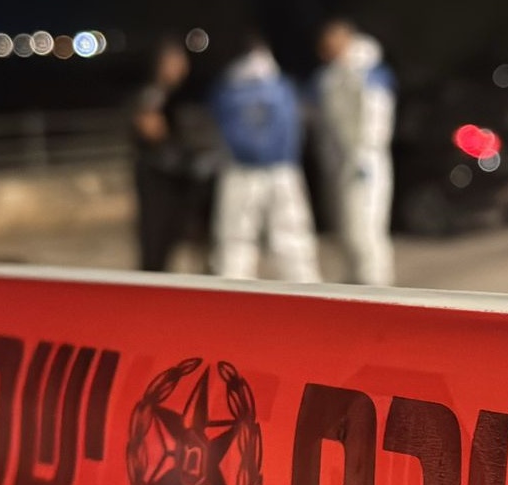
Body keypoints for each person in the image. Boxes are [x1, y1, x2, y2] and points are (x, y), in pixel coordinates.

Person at [210, 35, 321, 282]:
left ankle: (234, 297)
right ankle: (306, 296)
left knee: (236, 243)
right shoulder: (283, 87)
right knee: (293, 241)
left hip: (244, 172)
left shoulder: (226, 88)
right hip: (279, 172)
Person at [313, 19, 397, 285]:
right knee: (347, 228)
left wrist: (363, 155)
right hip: (341, 163)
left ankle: (376, 287)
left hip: (364, 160)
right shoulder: (333, 75)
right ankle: (357, 285)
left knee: (365, 229)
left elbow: (376, 118)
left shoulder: (368, 71)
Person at [131, 39, 204, 272]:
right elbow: (151, 130)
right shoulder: (153, 95)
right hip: (159, 182)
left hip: (181, 182)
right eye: (173, 62)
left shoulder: (185, 95)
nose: (180, 67)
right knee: (156, 251)